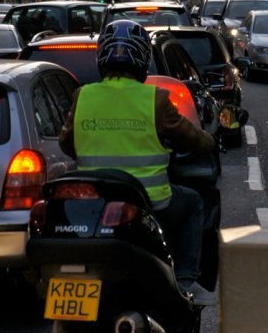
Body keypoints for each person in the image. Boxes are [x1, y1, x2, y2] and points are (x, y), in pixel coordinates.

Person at [58, 19, 217, 307]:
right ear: (144, 59)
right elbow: (191, 138)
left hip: (94, 205)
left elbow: (66, 144)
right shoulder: (154, 99)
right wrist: (210, 140)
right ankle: (184, 282)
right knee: (194, 204)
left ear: (101, 57)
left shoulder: (83, 96)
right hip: (150, 204)